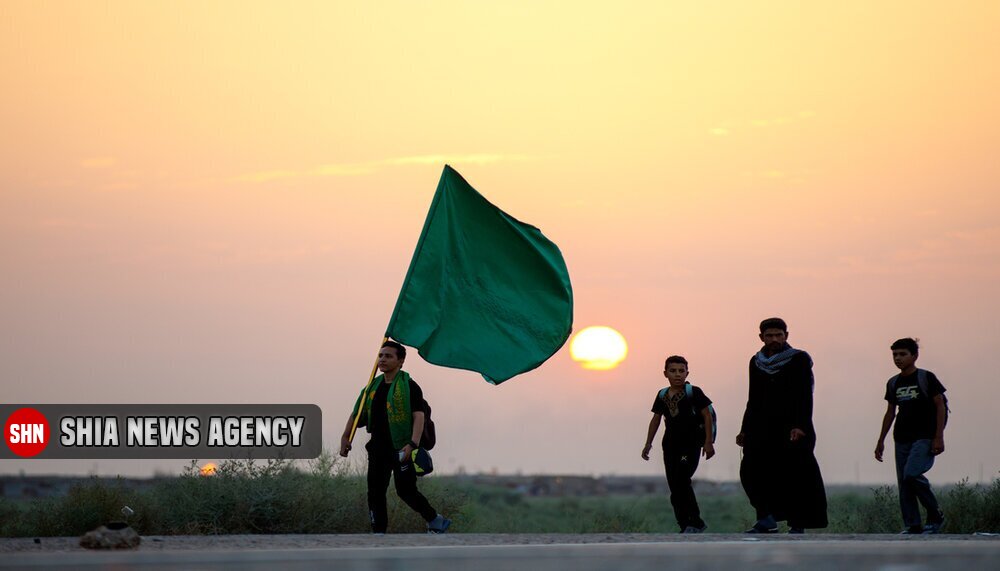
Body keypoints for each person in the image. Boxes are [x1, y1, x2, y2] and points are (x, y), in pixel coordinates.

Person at [340, 340, 451, 534]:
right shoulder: (371, 388)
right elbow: (356, 413)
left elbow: (419, 416)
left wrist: (412, 444)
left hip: (402, 448)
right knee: (375, 492)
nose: (382, 359)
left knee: (405, 491)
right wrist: (345, 437)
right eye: (380, 356)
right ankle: (379, 532)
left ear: (400, 361)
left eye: (388, 356)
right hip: (377, 448)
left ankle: (435, 520)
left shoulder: (409, 386)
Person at [736, 317, 828, 533]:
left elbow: (805, 394)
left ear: (787, 335)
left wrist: (800, 425)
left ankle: (798, 523)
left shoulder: (799, 359)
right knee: (750, 470)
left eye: (779, 335)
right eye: (769, 335)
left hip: (793, 427)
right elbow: (753, 397)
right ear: (761, 337)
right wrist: (744, 429)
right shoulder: (756, 361)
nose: (775, 339)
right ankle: (766, 518)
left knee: (795, 475)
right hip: (761, 427)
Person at [874, 338, 947, 534]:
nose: (898, 358)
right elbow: (890, 412)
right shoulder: (893, 383)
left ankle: (935, 514)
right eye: (894, 355)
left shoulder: (926, 378)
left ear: (914, 356)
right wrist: (880, 440)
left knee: (912, 474)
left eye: (902, 354)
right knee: (904, 483)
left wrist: (938, 436)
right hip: (902, 437)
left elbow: (940, 406)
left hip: (924, 436)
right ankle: (913, 524)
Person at [641, 355, 716, 533]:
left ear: (687, 372)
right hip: (670, 445)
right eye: (673, 371)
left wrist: (708, 442)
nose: (677, 375)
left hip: (690, 444)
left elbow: (707, 416)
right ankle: (684, 524)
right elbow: (656, 419)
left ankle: (695, 521)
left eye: (681, 371)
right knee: (674, 486)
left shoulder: (694, 392)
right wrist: (648, 444)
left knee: (682, 480)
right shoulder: (662, 395)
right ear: (665, 373)